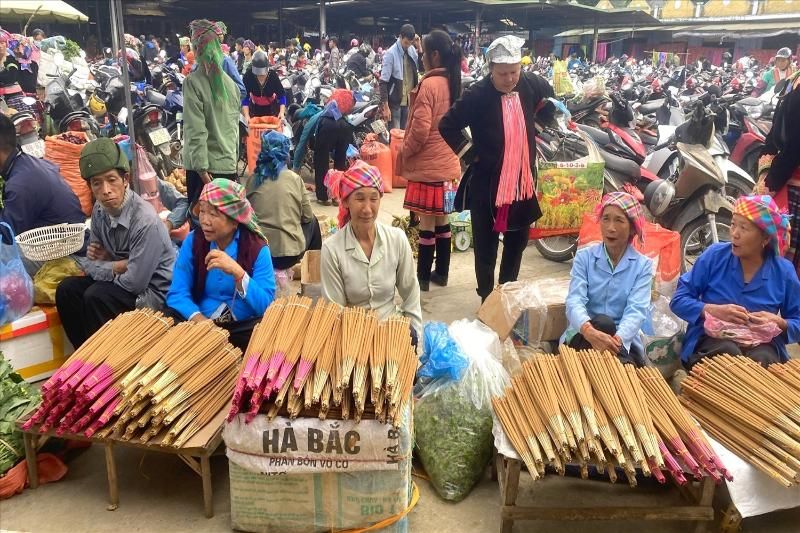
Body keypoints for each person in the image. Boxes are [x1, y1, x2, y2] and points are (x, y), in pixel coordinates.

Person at [439, 35, 554, 302]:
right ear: (491, 69)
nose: (510, 78)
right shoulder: (477, 94)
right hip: (487, 183)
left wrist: (534, 130)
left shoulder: (531, 84)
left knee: (517, 242)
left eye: (514, 72)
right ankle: (486, 298)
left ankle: (507, 295)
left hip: (522, 181)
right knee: (485, 246)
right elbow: (447, 125)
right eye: (503, 73)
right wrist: (472, 154)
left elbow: (551, 103)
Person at [56, 139, 175, 348]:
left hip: (152, 296)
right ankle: (84, 355)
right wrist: (117, 266)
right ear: (90, 187)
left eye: (112, 180)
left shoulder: (144, 220)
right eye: (97, 183)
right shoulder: (99, 211)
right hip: (122, 281)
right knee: (67, 290)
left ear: (125, 179)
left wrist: (108, 266)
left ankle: (106, 361)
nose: (106, 190)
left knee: (96, 296)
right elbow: (89, 263)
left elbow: (134, 283)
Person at [671, 195, 800, 368]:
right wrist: (711, 310)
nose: (734, 233)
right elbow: (678, 300)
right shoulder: (714, 256)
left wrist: (780, 323)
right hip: (711, 340)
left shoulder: (783, 272)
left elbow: (797, 320)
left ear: (765, 239)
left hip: (762, 345)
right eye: (733, 224)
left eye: (744, 228)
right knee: (727, 352)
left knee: (762, 360)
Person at [165, 179, 275, 351]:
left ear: (234, 221)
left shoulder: (257, 248)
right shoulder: (194, 242)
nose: (205, 221)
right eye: (202, 211)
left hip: (242, 327)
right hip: (201, 324)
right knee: (169, 315)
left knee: (267, 330)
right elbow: (177, 293)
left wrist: (239, 274)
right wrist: (201, 322)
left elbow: (266, 306)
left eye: (214, 214)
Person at [321, 160, 422, 341]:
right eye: (359, 198)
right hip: (353, 337)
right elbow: (335, 309)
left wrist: (413, 330)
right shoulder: (332, 249)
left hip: (392, 329)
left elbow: (411, 291)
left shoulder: (397, 239)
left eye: (373, 198)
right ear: (345, 201)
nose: (367, 209)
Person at [401, 30, 462, 291]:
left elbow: (420, 130)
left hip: (428, 169)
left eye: (424, 53)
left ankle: (423, 279)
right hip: (449, 168)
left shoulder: (430, 85)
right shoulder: (454, 82)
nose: (422, 57)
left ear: (434, 55)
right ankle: (443, 274)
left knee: (426, 226)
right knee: (443, 223)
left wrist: (405, 151)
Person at [562, 193, 653, 365]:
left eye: (619, 220)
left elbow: (636, 310)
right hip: (585, 335)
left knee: (609, 330)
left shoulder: (643, 266)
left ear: (633, 228)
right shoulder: (584, 258)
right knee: (603, 323)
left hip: (620, 341)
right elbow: (574, 300)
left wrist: (615, 340)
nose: (611, 227)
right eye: (606, 219)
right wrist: (589, 331)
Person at [0, 114, 86, 274]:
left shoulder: (20, 184)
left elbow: (5, 234)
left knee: (4, 257)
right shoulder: (28, 163)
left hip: (68, 253)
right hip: (67, 239)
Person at [183, 19, 241, 210]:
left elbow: (195, 130)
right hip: (228, 167)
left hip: (205, 171)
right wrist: (233, 164)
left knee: (203, 230)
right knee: (225, 229)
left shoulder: (192, 83)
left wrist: (202, 173)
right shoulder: (232, 86)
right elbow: (234, 130)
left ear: (197, 49)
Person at [246, 131, 321, 270]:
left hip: (258, 254)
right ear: (285, 153)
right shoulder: (294, 178)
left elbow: (247, 216)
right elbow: (307, 217)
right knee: (313, 222)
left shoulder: (253, 179)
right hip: (289, 256)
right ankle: (313, 270)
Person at [759, 70, 800, 275]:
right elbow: (777, 132)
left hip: (792, 186)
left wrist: (770, 183)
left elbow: (795, 144)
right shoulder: (794, 80)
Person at [292, 89, 355, 206]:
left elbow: (302, 143)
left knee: (321, 161)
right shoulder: (342, 115)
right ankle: (336, 196)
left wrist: (295, 169)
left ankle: (323, 197)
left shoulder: (315, 118)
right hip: (345, 128)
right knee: (340, 163)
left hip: (327, 127)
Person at [379, 24, 420, 130]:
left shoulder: (411, 50)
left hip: (408, 100)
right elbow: (383, 81)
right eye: (406, 42)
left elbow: (422, 66)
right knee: (396, 135)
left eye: (410, 43)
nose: (407, 45)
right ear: (400, 37)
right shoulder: (390, 54)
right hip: (395, 103)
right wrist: (385, 106)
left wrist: (419, 46)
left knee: (405, 135)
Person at [242, 50, 286, 121]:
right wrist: (246, 115)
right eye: (258, 73)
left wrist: (281, 112)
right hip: (254, 109)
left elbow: (281, 95)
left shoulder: (272, 75)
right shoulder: (248, 76)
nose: (261, 75)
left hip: (272, 109)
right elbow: (245, 97)